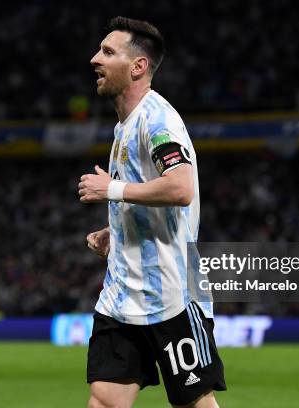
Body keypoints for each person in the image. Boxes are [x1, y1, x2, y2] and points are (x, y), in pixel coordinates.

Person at [78, 16, 225, 408]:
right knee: (106, 399)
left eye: (108, 52)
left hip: (171, 294)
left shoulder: (157, 120)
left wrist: (109, 189)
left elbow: (180, 188)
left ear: (138, 66)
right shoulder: (124, 127)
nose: (95, 59)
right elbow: (146, 196)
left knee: (194, 402)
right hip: (123, 295)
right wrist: (117, 229)